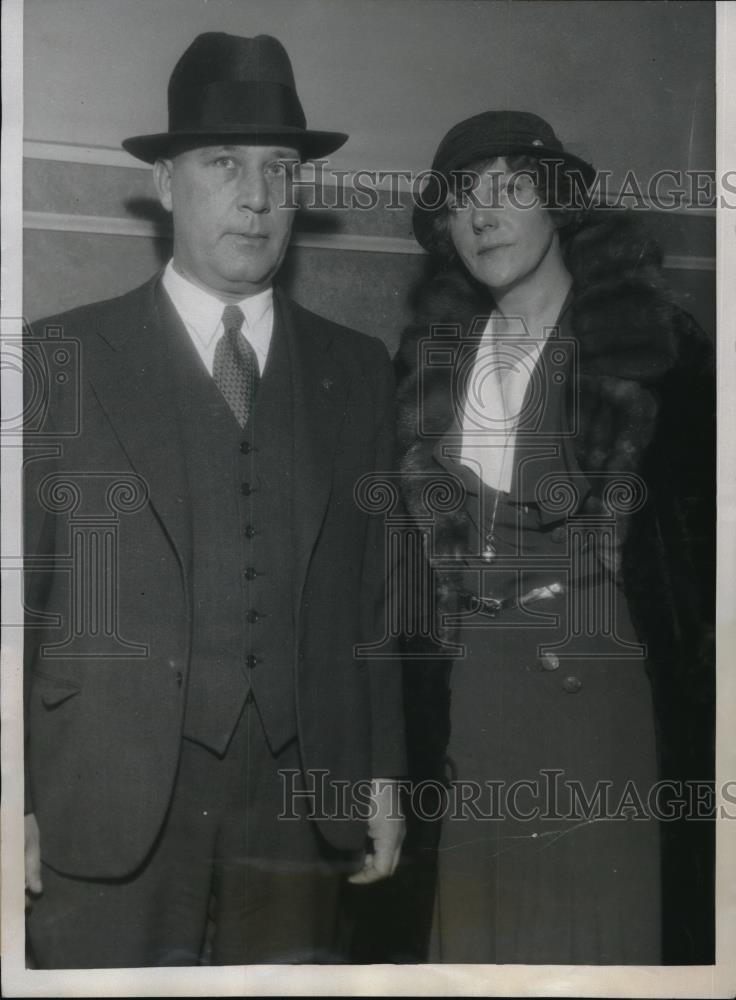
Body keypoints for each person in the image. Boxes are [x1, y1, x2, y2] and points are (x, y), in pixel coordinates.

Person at [23, 31, 405, 968]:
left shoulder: (357, 372)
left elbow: (376, 600)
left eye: (280, 169)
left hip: (304, 794)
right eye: (224, 164)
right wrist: (6, 795)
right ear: (164, 182)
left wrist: (386, 775)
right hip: (101, 796)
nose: (258, 196)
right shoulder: (59, 357)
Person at [395, 111, 715, 964]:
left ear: (561, 203)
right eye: (461, 198)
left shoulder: (656, 354)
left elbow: (702, 573)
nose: (483, 214)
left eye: (510, 187)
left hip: (600, 726)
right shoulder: (432, 363)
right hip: (471, 725)